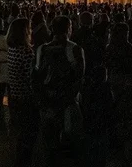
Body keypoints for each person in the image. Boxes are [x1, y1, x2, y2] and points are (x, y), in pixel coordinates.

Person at [33, 16, 85, 165]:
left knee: (49, 142)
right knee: (70, 142)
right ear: (69, 29)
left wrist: (43, 101)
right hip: (67, 102)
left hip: (47, 102)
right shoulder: (75, 49)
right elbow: (79, 78)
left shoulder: (41, 49)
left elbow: (36, 77)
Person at [6, 18, 37, 167]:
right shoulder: (26, 52)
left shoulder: (12, 48)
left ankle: (16, 158)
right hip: (26, 96)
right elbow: (32, 78)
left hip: (14, 94)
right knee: (27, 133)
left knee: (17, 130)